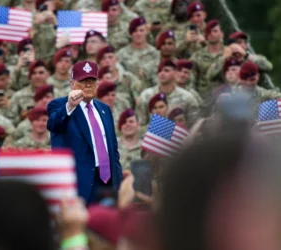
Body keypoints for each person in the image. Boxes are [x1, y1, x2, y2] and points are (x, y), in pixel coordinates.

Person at [47, 60, 123, 203]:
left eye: (92, 80)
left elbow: (113, 151)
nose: (88, 85)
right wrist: (69, 106)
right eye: (83, 81)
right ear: (72, 84)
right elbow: (53, 124)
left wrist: (118, 183)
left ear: (98, 83)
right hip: (79, 185)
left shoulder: (104, 109)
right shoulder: (59, 105)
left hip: (107, 182)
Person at [137, 59, 199, 129]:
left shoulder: (187, 97)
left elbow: (194, 125)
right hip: (153, 137)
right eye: (159, 71)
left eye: (166, 71)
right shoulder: (146, 95)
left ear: (175, 73)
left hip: (179, 138)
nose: (162, 73)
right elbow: (141, 125)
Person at [117, 17, 160, 89]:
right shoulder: (121, 54)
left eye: (141, 30)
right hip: (129, 90)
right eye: (135, 31)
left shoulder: (155, 54)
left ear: (146, 32)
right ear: (131, 34)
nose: (138, 34)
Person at [10, 60, 51, 125]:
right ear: (29, 76)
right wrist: (21, 118)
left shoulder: (57, 94)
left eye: (41, 73)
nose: (37, 76)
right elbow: (10, 122)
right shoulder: (18, 96)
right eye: (33, 73)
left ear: (48, 74)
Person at [190, 19, 224, 96]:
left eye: (215, 31)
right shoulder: (197, 56)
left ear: (222, 34)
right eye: (209, 31)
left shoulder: (229, 53)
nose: (211, 34)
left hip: (226, 99)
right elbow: (191, 82)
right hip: (204, 99)